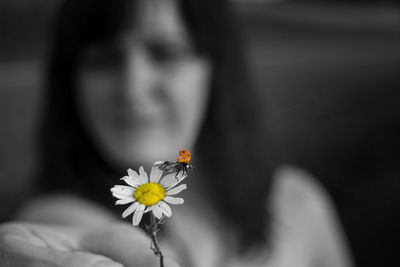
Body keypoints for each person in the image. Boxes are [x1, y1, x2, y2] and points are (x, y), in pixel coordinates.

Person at [0, 0, 354, 266]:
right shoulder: (56, 219)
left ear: (215, 70)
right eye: (103, 58)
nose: (132, 88)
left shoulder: (299, 203)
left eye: (165, 53)